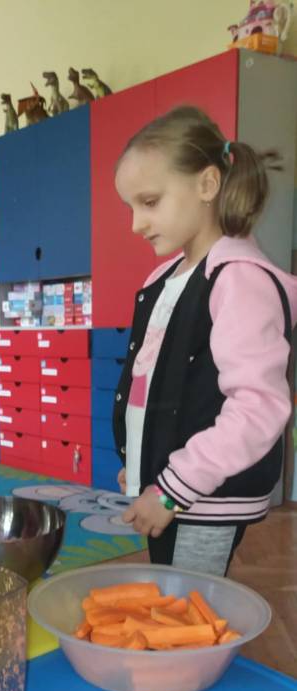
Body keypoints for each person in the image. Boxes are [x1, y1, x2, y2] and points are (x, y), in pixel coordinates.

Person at [113, 105, 296, 576]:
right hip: (170, 488)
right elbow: (153, 388)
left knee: (187, 603)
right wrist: (143, 463)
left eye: (150, 202)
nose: (135, 224)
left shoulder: (238, 281)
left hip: (202, 498)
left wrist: (171, 490)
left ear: (207, 185)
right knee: (171, 593)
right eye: (131, 207)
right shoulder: (164, 280)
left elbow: (258, 408)